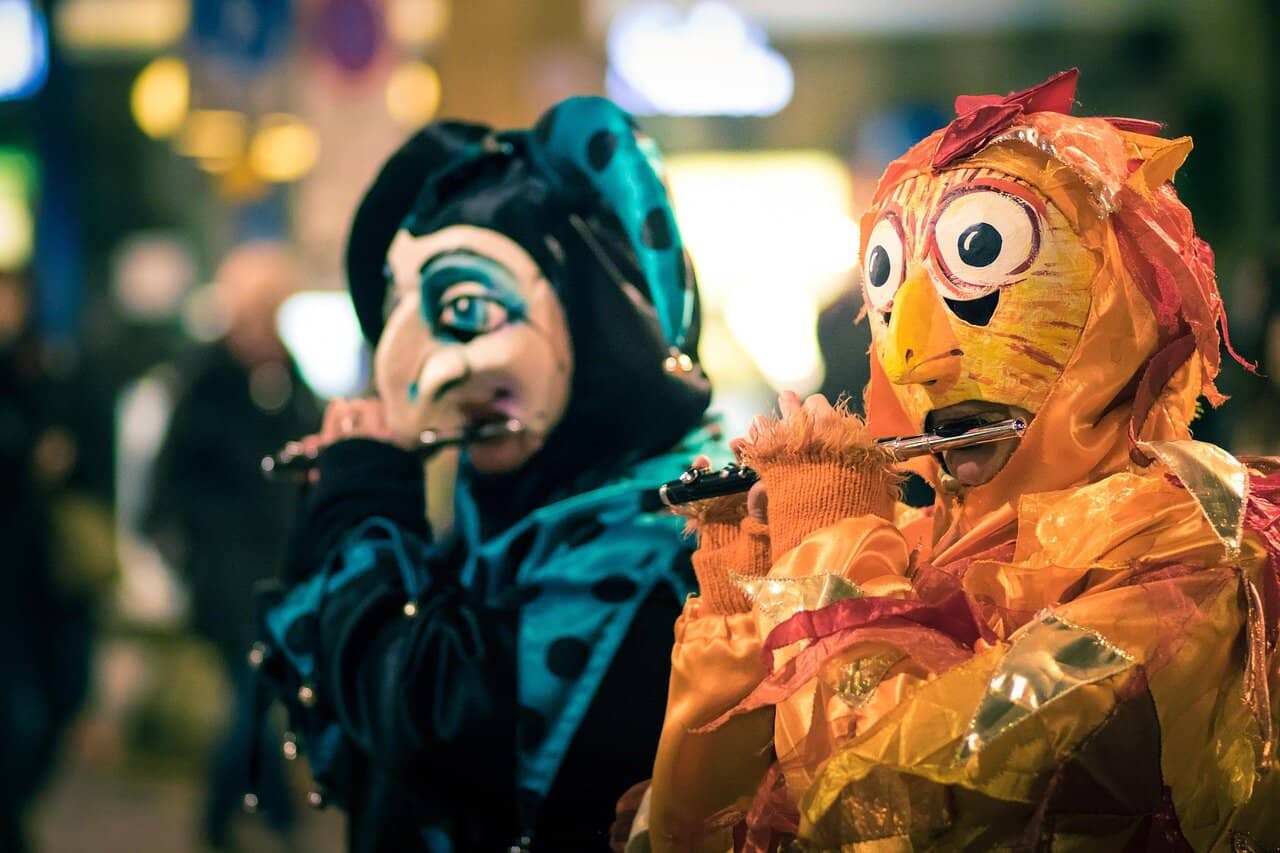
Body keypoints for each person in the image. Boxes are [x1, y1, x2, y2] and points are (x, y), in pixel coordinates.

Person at [641, 69, 1280, 851]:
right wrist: (741, 608)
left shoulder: (1189, 550)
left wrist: (826, 566)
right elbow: (697, 832)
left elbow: (892, 807)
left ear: (1115, 314)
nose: (913, 356)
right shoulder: (911, 538)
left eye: (977, 261)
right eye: (887, 284)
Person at [256, 97, 719, 851]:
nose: (406, 367)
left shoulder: (663, 540)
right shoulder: (500, 520)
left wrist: (366, 508)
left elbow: (441, 732)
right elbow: (349, 734)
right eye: (396, 305)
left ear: (596, 321)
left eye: (464, 306)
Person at [145, 243, 319, 848]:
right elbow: (170, 481)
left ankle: (248, 811)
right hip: (225, 572)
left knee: (256, 694)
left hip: (276, 570)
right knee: (251, 695)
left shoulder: (287, 377)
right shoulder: (207, 381)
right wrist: (187, 554)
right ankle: (255, 815)